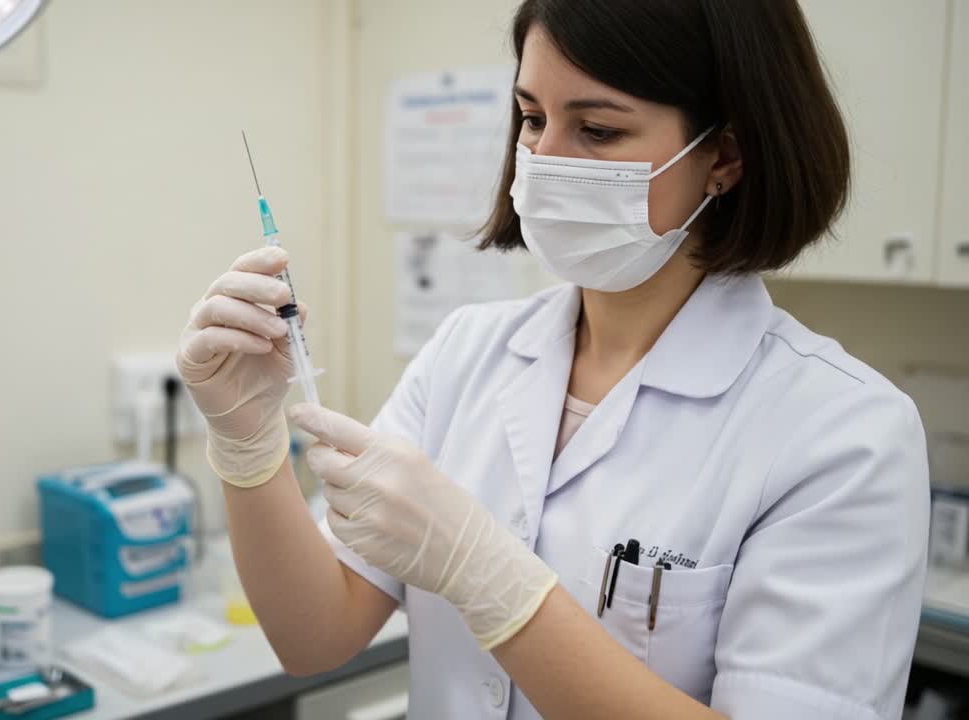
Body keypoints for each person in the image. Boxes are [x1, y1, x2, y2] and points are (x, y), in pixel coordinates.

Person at [175, 0, 930, 717]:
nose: (543, 160)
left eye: (597, 130)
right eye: (533, 118)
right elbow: (313, 637)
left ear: (724, 155)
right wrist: (247, 445)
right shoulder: (466, 353)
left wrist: (488, 579)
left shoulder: (842, 435)